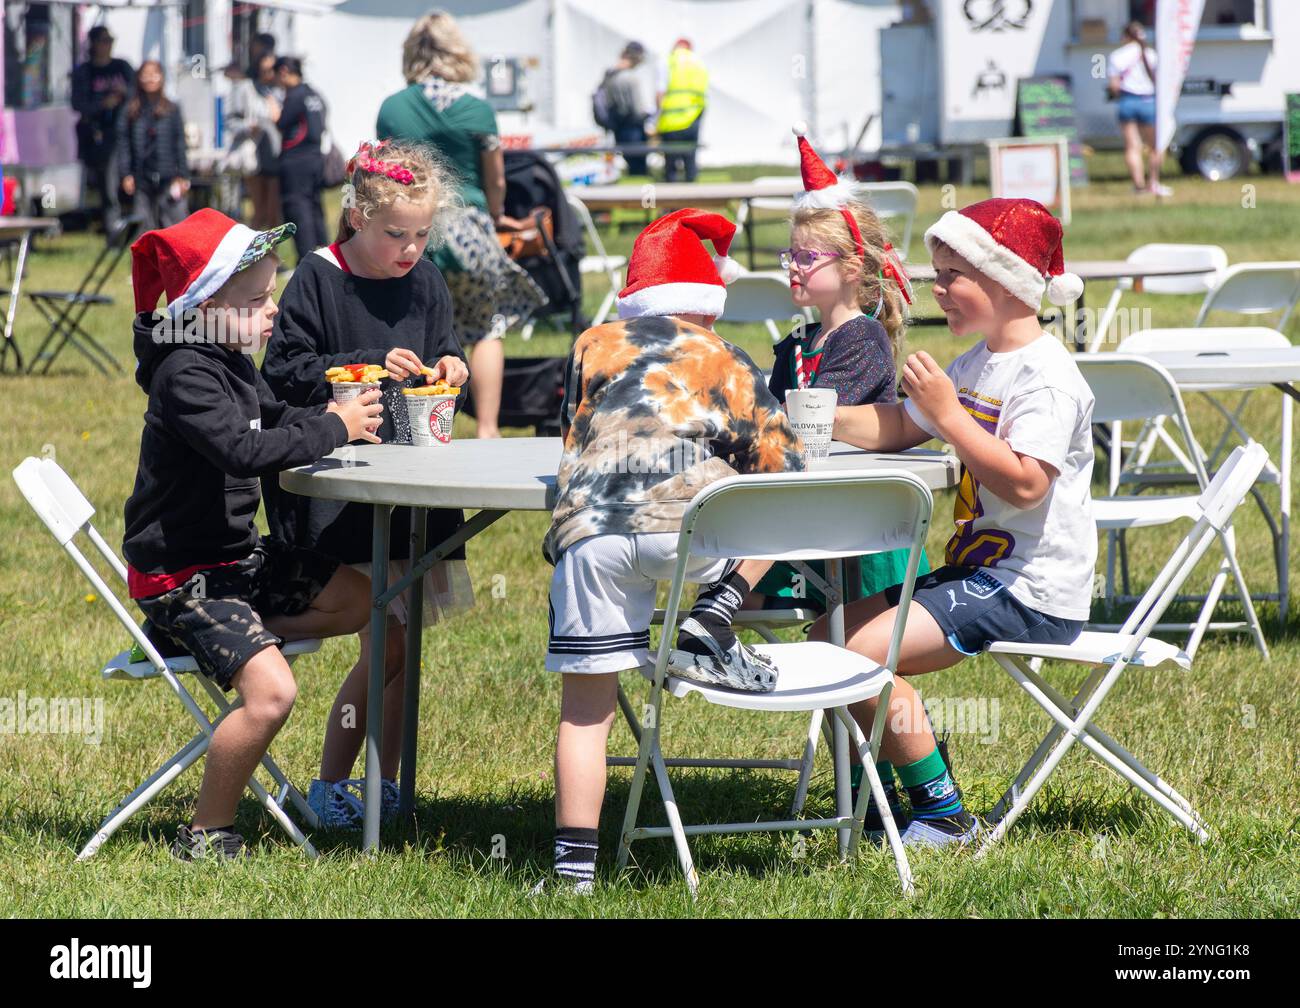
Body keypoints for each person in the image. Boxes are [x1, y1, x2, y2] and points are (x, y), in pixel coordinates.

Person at [538, 209, 804, 893]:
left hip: (593, 528)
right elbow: (782, 459)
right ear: (707, 306)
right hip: (690, 529)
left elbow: (572, 432)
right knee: (772, 513)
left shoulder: (592, 344)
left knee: (585, 711)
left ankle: (573, 876)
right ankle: (714, 614)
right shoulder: (721, 354)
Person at [824, 197, 1097, 848]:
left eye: (951, 276)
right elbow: (898, 426)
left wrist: (950, 417)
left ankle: (942, 811)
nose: (934, 288)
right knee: (830, 628)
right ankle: (882, 798)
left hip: (1030, 587)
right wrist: (817, 417)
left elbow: (1027, 484)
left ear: (1003, 283)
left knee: (856, 652)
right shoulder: (979, 361)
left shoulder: (1046, 376)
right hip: (980, 573)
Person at [122, 208, 384, 860]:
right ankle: (207, 832)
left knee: (359, 599)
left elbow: (273, 415)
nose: (272, 311)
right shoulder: (186, 374)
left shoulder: (229, 357)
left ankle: (238, 643)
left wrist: (323, 413)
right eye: (258, 300)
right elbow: (243, 450)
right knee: (272, 694)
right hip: (181, 575)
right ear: (204, 306)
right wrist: (335, 428)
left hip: (232, 560)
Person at [261, 139, 474, 827]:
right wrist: (370, 361)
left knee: (402, 648)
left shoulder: (427, 279)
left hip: (413, 479)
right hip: (341, 488)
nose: (409, 249)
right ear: (355, 216)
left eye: (419, 235)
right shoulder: (318, 279)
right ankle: (332, 786)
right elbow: (285, 372)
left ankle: (381, 784)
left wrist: (453, 368)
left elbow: (446, 346)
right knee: (385, 642)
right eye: (395, 235)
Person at [376, 10, 546, 438]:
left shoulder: (393, 110)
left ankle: (413, 423)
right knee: (486, 328)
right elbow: (496, 178)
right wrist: (494, 214)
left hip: (413, 237)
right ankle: (488, 429)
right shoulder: (478, 110)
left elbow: (384, 175)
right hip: (469, 233)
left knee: (413, 326)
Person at [71, 25, 133, 233]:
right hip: (97, 137)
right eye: (103, 41)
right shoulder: (85, 72)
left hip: (125, 135)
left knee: (124, 183)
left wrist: (124, 94)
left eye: (110, 41)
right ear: (93, 44)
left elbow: (136, 94)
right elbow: (77, 104)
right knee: (107, 186)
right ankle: (112, 231)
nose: (107, 46)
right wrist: (103, 105)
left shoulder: (122, 67)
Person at [118, 60, 190, 230]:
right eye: (145, 75)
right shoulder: (131, 110)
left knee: (174, 225)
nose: (150, 79)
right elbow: (124, 144)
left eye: (154, 74)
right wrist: (125, 173)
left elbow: (179, 143)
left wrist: (183, 175)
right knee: (143, 226)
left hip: (168, 175)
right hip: (141, 176)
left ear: (162, 78)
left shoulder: (172, 109)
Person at [1107, 21, 1171, 198]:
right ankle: (1154, 182)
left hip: (1127, 101)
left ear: (1125, 36)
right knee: (1155, 146)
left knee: (1132, 147)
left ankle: (1139, 186)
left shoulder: (1117, 56)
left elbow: (1114, 86)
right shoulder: (1152, 55)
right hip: (1149, 102)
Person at [273, 56, 327, 260]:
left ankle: (306, 258)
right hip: (315, 157)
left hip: (296, 160)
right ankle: (324, 253)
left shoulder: (295, 95)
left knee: (298, 208)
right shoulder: (314, 94)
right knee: (314, 207)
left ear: (284, 71)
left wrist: (273, 111)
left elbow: (282, 122)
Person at [222, 57, 282, 231]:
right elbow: (230, 122)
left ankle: (273, 254)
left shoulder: (277, 92)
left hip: (274, 152)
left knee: (273, 212)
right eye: (265, 70)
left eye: (272, 70)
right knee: (259, 210)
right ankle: (253, 253)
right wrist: (248, 126)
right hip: (253, 152)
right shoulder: (245, 89)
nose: (270, 74)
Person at [654, 38, 707, 182]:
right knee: (690, 161)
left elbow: (660, 93)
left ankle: (672, 203)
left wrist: (655, 120)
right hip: (693, 118)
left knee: (671, 166)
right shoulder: (698, 62)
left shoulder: (668, 61)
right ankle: (693, 199)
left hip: (671, 121)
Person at [596, 42, 650, 175]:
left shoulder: (609, 75)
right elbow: (638, 109)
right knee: (638, 167)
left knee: (630, 162)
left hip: (617, 127)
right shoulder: (630, 78)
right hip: (633, 128)